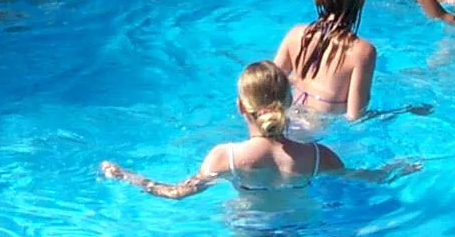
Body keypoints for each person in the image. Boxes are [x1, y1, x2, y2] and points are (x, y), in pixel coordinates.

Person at [100, 62, 347, 198]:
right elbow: (365, 179)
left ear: (240, 106)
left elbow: (176, 192)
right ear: (289, 102)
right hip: (300, 226)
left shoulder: (225, 156)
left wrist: (127, 176)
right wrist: (387, 169)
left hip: (251, 227)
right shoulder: (318, 155)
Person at [271, 0, 377, 120]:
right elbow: (355, 117)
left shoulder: (295, 34)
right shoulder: (362, 51)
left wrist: (295, 80)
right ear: (359, 0)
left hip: (287, 117)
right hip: (317, 128)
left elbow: (269, 84)